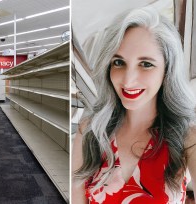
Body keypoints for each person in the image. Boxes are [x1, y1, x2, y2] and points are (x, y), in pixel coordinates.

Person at [72, 7, 196, 204]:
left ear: (167, 70)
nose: (128, 81)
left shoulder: (188, 138)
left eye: (146, 64)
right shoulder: (90, 131)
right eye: (119, 62)